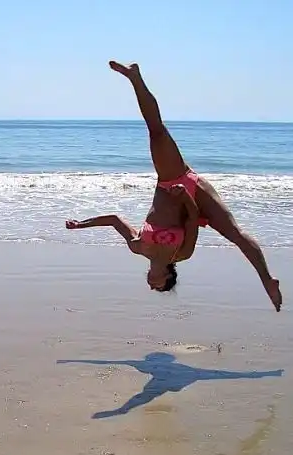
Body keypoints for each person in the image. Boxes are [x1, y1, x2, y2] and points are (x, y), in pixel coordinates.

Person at [66, 61, 282, 312]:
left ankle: (135, 78)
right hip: (187, 192)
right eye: (159, 287)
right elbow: (192, 220)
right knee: (235, 233)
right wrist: (186, 196)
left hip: (170, 182)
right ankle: (267, 279)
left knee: (156, 133)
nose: (152, 287)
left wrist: (81, 225)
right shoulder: (182, 253)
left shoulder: (137, 246)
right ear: (169, 276)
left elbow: (114, 220)